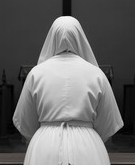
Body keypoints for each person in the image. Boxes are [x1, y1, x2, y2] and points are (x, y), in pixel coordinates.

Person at [13, 16, 123, 165]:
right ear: (79, 37)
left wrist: (46, 130)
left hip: (44, 147)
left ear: (52, 38)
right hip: (88, 147)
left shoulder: (36, 74)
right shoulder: (96, 74)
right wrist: (86, 132)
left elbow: (26, 122)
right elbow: (107, 123)